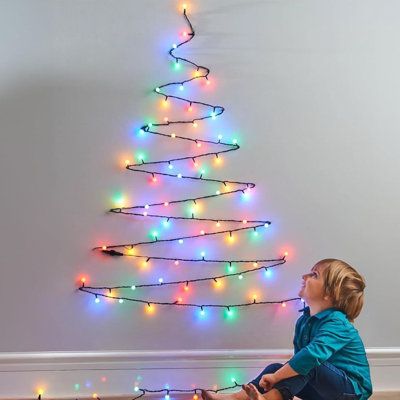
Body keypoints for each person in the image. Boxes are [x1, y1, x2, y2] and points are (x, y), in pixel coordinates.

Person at [201, 258, 372, 400]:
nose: (305, 276)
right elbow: (299, 362)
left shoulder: (337, 323)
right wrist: (277, 374)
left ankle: (269, 399)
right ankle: (234, 399)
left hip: (352, 392)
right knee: (277, 366)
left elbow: (310, 357)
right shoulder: (304, 321)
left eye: (314, 274)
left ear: (330, 293)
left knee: (308, 362)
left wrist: (276, 378)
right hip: (324, 391)